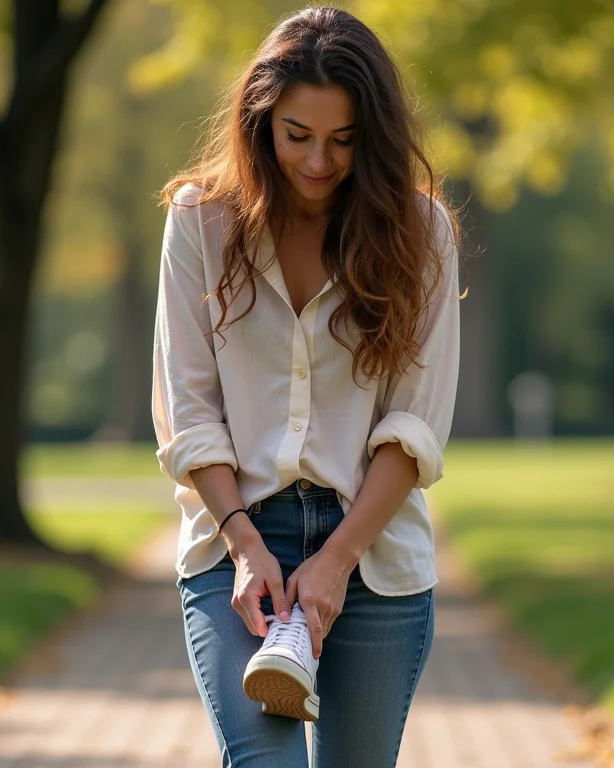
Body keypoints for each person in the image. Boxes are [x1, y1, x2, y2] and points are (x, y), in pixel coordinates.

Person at [151, 6, 461, 767]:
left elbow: (414, 425)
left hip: (375, 557)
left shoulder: (421, 235)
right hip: (236, 546)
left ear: (375, 136)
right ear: (260, 123)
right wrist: (245, 543)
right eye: (298, 135)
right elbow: (188, 410)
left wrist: (337, 559)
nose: (319, 161)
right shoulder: (200, 224)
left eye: (344, 140)